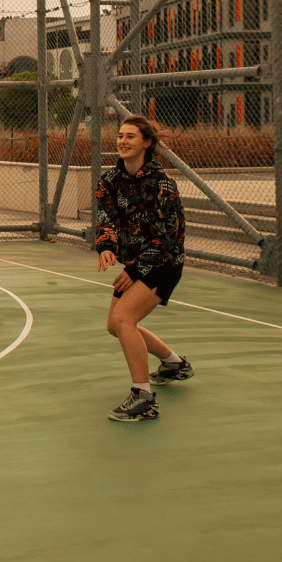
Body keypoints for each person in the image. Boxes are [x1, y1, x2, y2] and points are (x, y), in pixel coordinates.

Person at [95, 115, 192, 422]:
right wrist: (107, 246)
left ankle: (144, 398)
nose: (123, 141)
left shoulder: (163, 185)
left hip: (163, 264)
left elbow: (166, 238)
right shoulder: (110, 180)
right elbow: (106, 218)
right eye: (120, 136)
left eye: (131, 137)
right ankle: (174, 364)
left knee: (124, 318)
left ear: (147, 143)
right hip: (136, 264)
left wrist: (136, 270)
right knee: (115, 326)